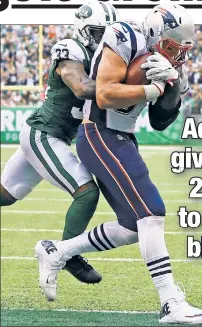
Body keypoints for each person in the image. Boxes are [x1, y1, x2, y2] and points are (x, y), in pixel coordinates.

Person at [35, 3, 202, 324]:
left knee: (133, 227)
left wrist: (172, 85)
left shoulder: (173, 61)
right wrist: (152, 88)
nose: (176, 54)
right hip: (99, 132)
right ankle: (171, 302)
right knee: (151, 213)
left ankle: (57, 252)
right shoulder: (124, 36)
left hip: (121, 136)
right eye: (170, 47)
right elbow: (104, 95)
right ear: (153, 34)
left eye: (181, 50)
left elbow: (162, 120)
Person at [1, 0, 119, 284]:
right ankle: (66, 254)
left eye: (107, 32)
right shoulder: (71, 48)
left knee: (5, 195)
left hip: (54, 138)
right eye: (97, 31)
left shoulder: (104, 56)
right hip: (43, 134)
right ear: (82, 27)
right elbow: (81, 86)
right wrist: (129, 88)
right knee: (87, 192)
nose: (102, 38)